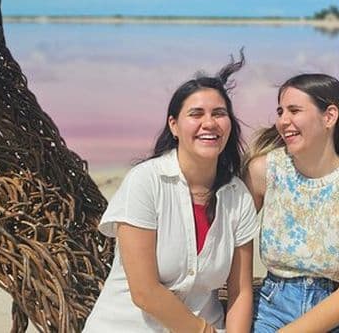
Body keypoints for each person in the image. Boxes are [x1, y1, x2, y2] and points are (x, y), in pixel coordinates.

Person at [83, 54, 258, 333]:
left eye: (219, 114)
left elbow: (240, 292)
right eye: (196, 114)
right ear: (174, 126)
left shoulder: (238, 197)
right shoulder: (146, 181)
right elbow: (144, 291)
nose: (209, 123)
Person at [244, 73, 339, 333]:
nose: (283, 121)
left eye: (294, 110)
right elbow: (230, 244)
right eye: (280, 111)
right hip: (274, 310)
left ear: (329, 116)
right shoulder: (264, 173)